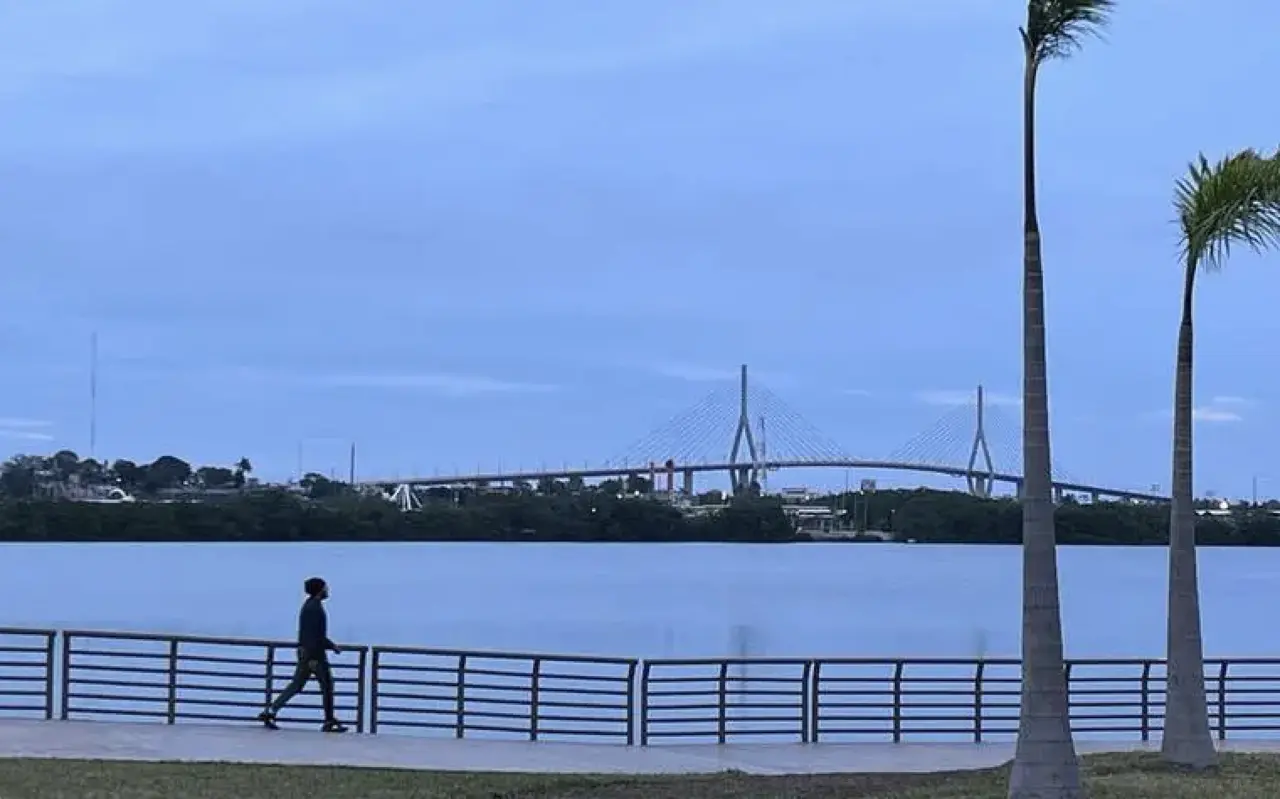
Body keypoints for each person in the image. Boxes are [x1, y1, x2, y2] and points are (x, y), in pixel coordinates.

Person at [258, 577, 348, 732]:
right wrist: (314, 657)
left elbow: (311, 634)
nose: (328, 590)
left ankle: (271, 711)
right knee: (326, 685)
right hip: (315, 655)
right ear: (320, 590)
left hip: (307, 653)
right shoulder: (314, 608)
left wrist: (331, 646)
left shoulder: (310, 605)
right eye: (326, 588)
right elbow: (313, 635)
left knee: (297, 685)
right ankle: (328, 720)